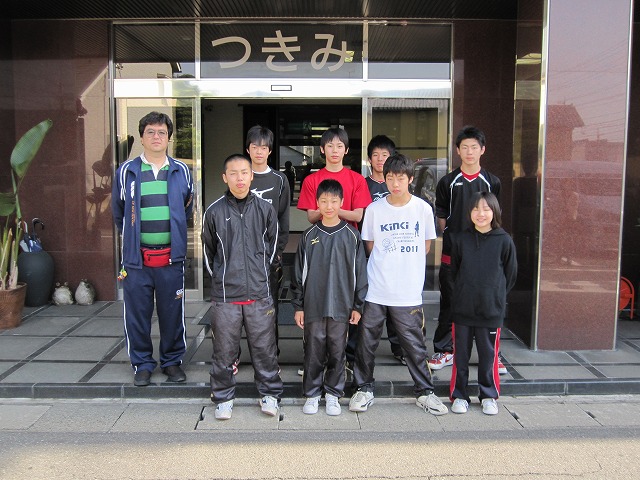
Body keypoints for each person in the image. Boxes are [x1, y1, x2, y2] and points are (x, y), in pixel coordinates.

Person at [348, 154, 448, 416]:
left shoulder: (422, 209)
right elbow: (370, 246)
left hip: (407, 290)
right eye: (390, 178)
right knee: (366, 342)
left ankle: (425, 392)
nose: (395, 183)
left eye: (400, 178)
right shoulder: (374, 209)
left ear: (410, 179)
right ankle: (363, 388)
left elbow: (426, 246)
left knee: (414, 344)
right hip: (376, 288)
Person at [112, 111, 193, 387]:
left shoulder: (181, 171)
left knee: (173, 314)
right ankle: (142, 364)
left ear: (169, 138)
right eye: (150, 132)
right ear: (142, 137)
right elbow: (119, 213)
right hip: (137, 260)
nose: (156, 137)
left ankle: (171, 362)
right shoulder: (126, 172)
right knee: (137, 315)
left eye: (162, 132)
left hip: (171, 259)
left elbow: (186, 208)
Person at [202, 154, 283, 420]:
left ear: (251, 176)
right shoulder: (214, 212)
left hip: (259, 294)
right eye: (233, 173)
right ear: (225, 178)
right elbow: (208, 253)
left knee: (265, 349)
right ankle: (223, 398)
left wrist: (261, 277)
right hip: (226, 296)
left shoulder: (265, 209)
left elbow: (273, 248)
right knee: (224, 351)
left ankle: (269, 394)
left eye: (244, 173)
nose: (239, 178)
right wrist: (221, 280)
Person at [297, 127, 371, 373]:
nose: (335, 150)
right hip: (319, 244)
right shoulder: (312, 180)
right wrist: (329, 211)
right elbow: (311, 216)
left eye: (340, 146)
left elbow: (358, 215)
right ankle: (314, 361)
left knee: (346, 303)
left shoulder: (357, 180)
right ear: (322, 149)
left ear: (347, 150)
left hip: (347, 245)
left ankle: (344, 361)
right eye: (330, 146)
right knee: (318, 302)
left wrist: (331, 211)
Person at [430, 125, 504, 373]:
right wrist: (453, 238)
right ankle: (445, 350)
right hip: (454, 253)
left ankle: (492, 354)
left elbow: (495, 217)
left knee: (487, 302)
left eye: (474, 147)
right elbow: (442, 216)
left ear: (482, 150)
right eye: (465, 147)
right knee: (450, 302)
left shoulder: (492, 182)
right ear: (458, 151)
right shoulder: (448, 182)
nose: (469, 152)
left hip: (485, 254)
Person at [291, 179, 368, 416]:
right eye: (324, 201)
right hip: (313, 305)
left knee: (337, 351)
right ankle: (312, 394)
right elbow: (298, 273)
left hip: (342, 305)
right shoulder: (309, 235)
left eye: (334, 201)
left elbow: (360, 273)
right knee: (313, 351)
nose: (329, 206)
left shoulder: (352, 236)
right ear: (317, 203)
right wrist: (299, 305)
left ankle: (334, 394)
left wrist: (358, 306)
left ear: (342, 202)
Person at [449, 192, 517, 415]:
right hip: (463, 309)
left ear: (494, 212)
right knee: (461, 357)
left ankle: (488, 395)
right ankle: (460, 395)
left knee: (488, 357)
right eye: (476, 209)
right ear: (470, 212)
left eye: (486, 209)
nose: (481, 214)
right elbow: (454, 272)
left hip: (490, 310)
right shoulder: (461, 239)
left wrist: (494, 296)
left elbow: (510, 275)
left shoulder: (504, 240)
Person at [233, 125, 290, 372]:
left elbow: (283, 219)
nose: (259, 151)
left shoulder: (279, 180)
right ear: (248, 149)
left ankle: (270, 356)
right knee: (235, 309)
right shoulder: (241, 176)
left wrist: (277, 252)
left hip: (268, 256)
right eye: (255, 146)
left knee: (268, 309)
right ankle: (232, 356)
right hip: (239, 256)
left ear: (270, 151)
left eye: (264, 147)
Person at [363, 134, 405, 365]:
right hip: (368, 251)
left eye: (385, 155)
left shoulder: (398, 186)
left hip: (396, 253)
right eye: (375, 155)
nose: (380, 159)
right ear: (369, 159)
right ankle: (360, 352)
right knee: (369, 302)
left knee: (396, 302)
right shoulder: (362, 184)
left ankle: (399, 347)